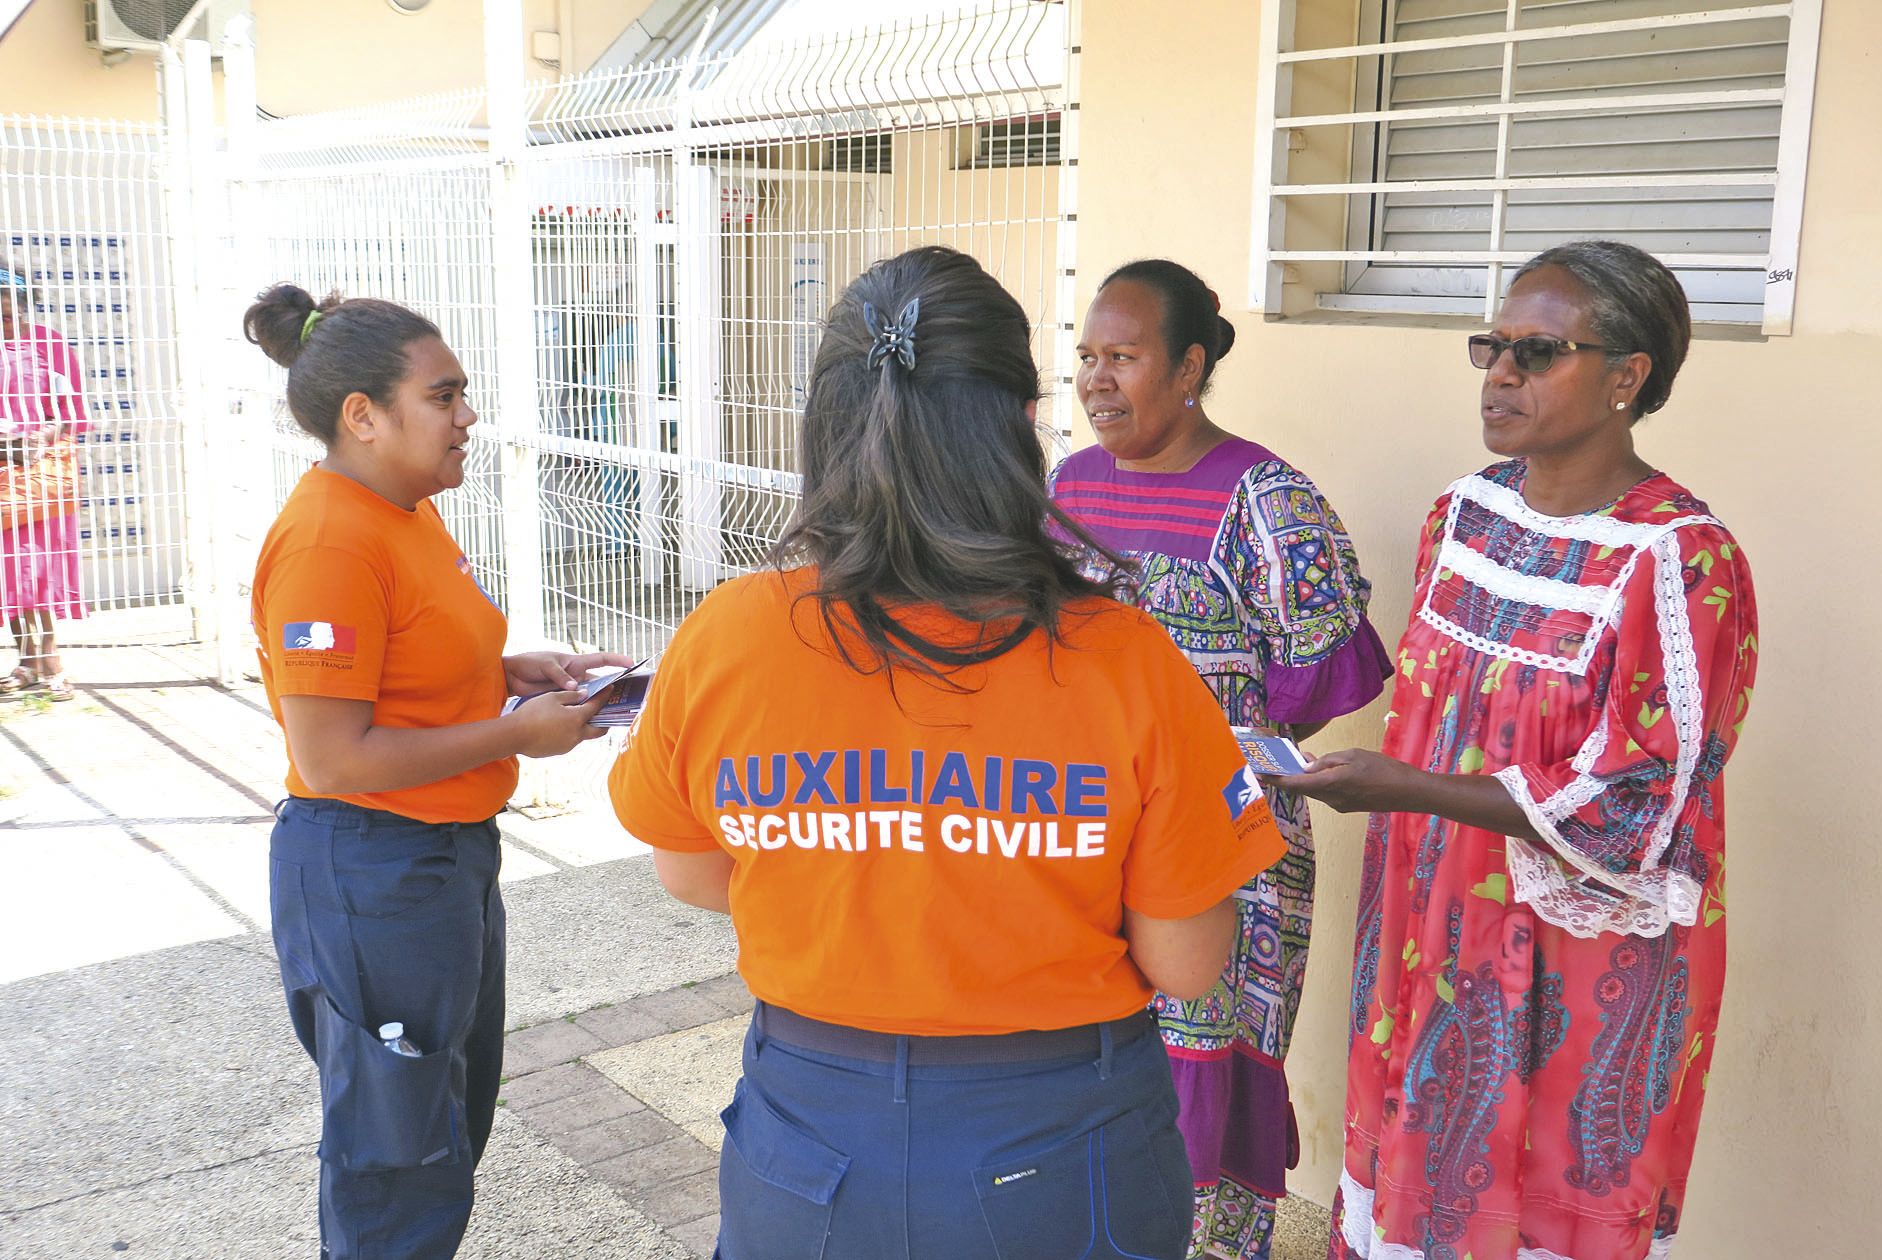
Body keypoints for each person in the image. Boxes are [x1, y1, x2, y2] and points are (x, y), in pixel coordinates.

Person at [607, 245, 1287, 1260]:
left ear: (827, 427)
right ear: (1019, 427)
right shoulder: (1126, 658)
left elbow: (695, 871)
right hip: (1063, 1147)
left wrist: (865, 863)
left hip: (809, 1143)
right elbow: (1186, 964)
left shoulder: (729, 636)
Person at [1273, 242, 1758, 1260]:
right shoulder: (1463, 515)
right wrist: (1404, 793)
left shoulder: (1678, 557)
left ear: (1628, 377)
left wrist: (1407, 786)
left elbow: (1642, 805)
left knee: (1528, 1202)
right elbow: (1438, 713)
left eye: (1538, 352)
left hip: (1579, 953)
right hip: (1422, 912)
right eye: (1492, 346)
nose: (1500, 373)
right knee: (1410, 1171)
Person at [243, 284, 634, 1259]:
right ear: (363, 417)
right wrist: (516, 736)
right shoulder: (331, 542)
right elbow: (331, 757)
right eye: (445, 396)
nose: (468, 418)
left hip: (440, 862)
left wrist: (504, 676)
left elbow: (398, 667)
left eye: (463, 395)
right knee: (397, 1157)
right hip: (375, 867)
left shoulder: (401, 510)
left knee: (444, 1121)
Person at [1050, 258, 1391, 1260]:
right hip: (1081, 838)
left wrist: (1202, 763)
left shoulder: (1267, 501)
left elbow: (1317, 687)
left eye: (1125, 357)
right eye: (1087, 357)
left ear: (1191, 364)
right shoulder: (1066, 484)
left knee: (1199, 1068)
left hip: (1224, 852)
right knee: (1093, 1060)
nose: (1097, 379)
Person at [1, 260, 88, 701]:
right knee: (10, 574)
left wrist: (38, 437)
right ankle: (26, 662)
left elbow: (73, 413)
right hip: (1, 473)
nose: (6, 320)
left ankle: (50, 660)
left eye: (11, 309)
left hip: (40, 475)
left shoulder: (49, 346)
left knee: (41, 571)